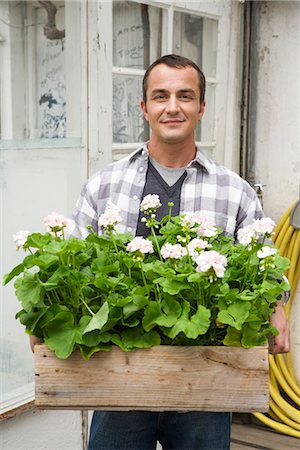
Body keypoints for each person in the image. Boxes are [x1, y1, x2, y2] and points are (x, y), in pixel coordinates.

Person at [30, 54, 289, 449]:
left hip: (205, 373)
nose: (172, 107)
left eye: (185, 96)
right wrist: (44, 315)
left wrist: (277, 303)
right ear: (144, 107)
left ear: (201, 107)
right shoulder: (104, 183)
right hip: (118, 368)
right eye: (160, 96)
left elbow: (267, 265)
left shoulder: (234, 189)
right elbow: (72, 263)